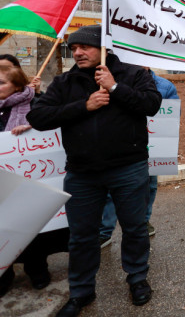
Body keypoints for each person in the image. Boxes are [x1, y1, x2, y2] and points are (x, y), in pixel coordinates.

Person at [27, 25, 162, 316]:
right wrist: (83, 106)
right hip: (82, 173)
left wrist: (115, 87)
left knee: (135, 229)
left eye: (85, 47)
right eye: (73, 48)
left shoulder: (134, 73)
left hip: (129, 169)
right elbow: (37, 116)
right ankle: (81, 292)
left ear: (104, 48)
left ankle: (137, 279)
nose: (77, 52)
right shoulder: (66, 82)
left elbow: (151, 105)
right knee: (82, 235)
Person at [0, 65, 67, 296]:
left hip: (29, 182)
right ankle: (4, 275)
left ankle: (37, 270)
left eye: (1, 83)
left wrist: (34, 127)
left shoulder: (35, 105)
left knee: (34, 230)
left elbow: (53, 125)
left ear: (18, 86)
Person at [99, 68, 179, 247]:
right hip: (121, 146)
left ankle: (143, 222)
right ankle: (104, 231)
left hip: (152, 148)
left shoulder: (165, 86)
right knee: (112, 188)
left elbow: (173, 116)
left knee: (149, 185)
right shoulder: (113, 81)